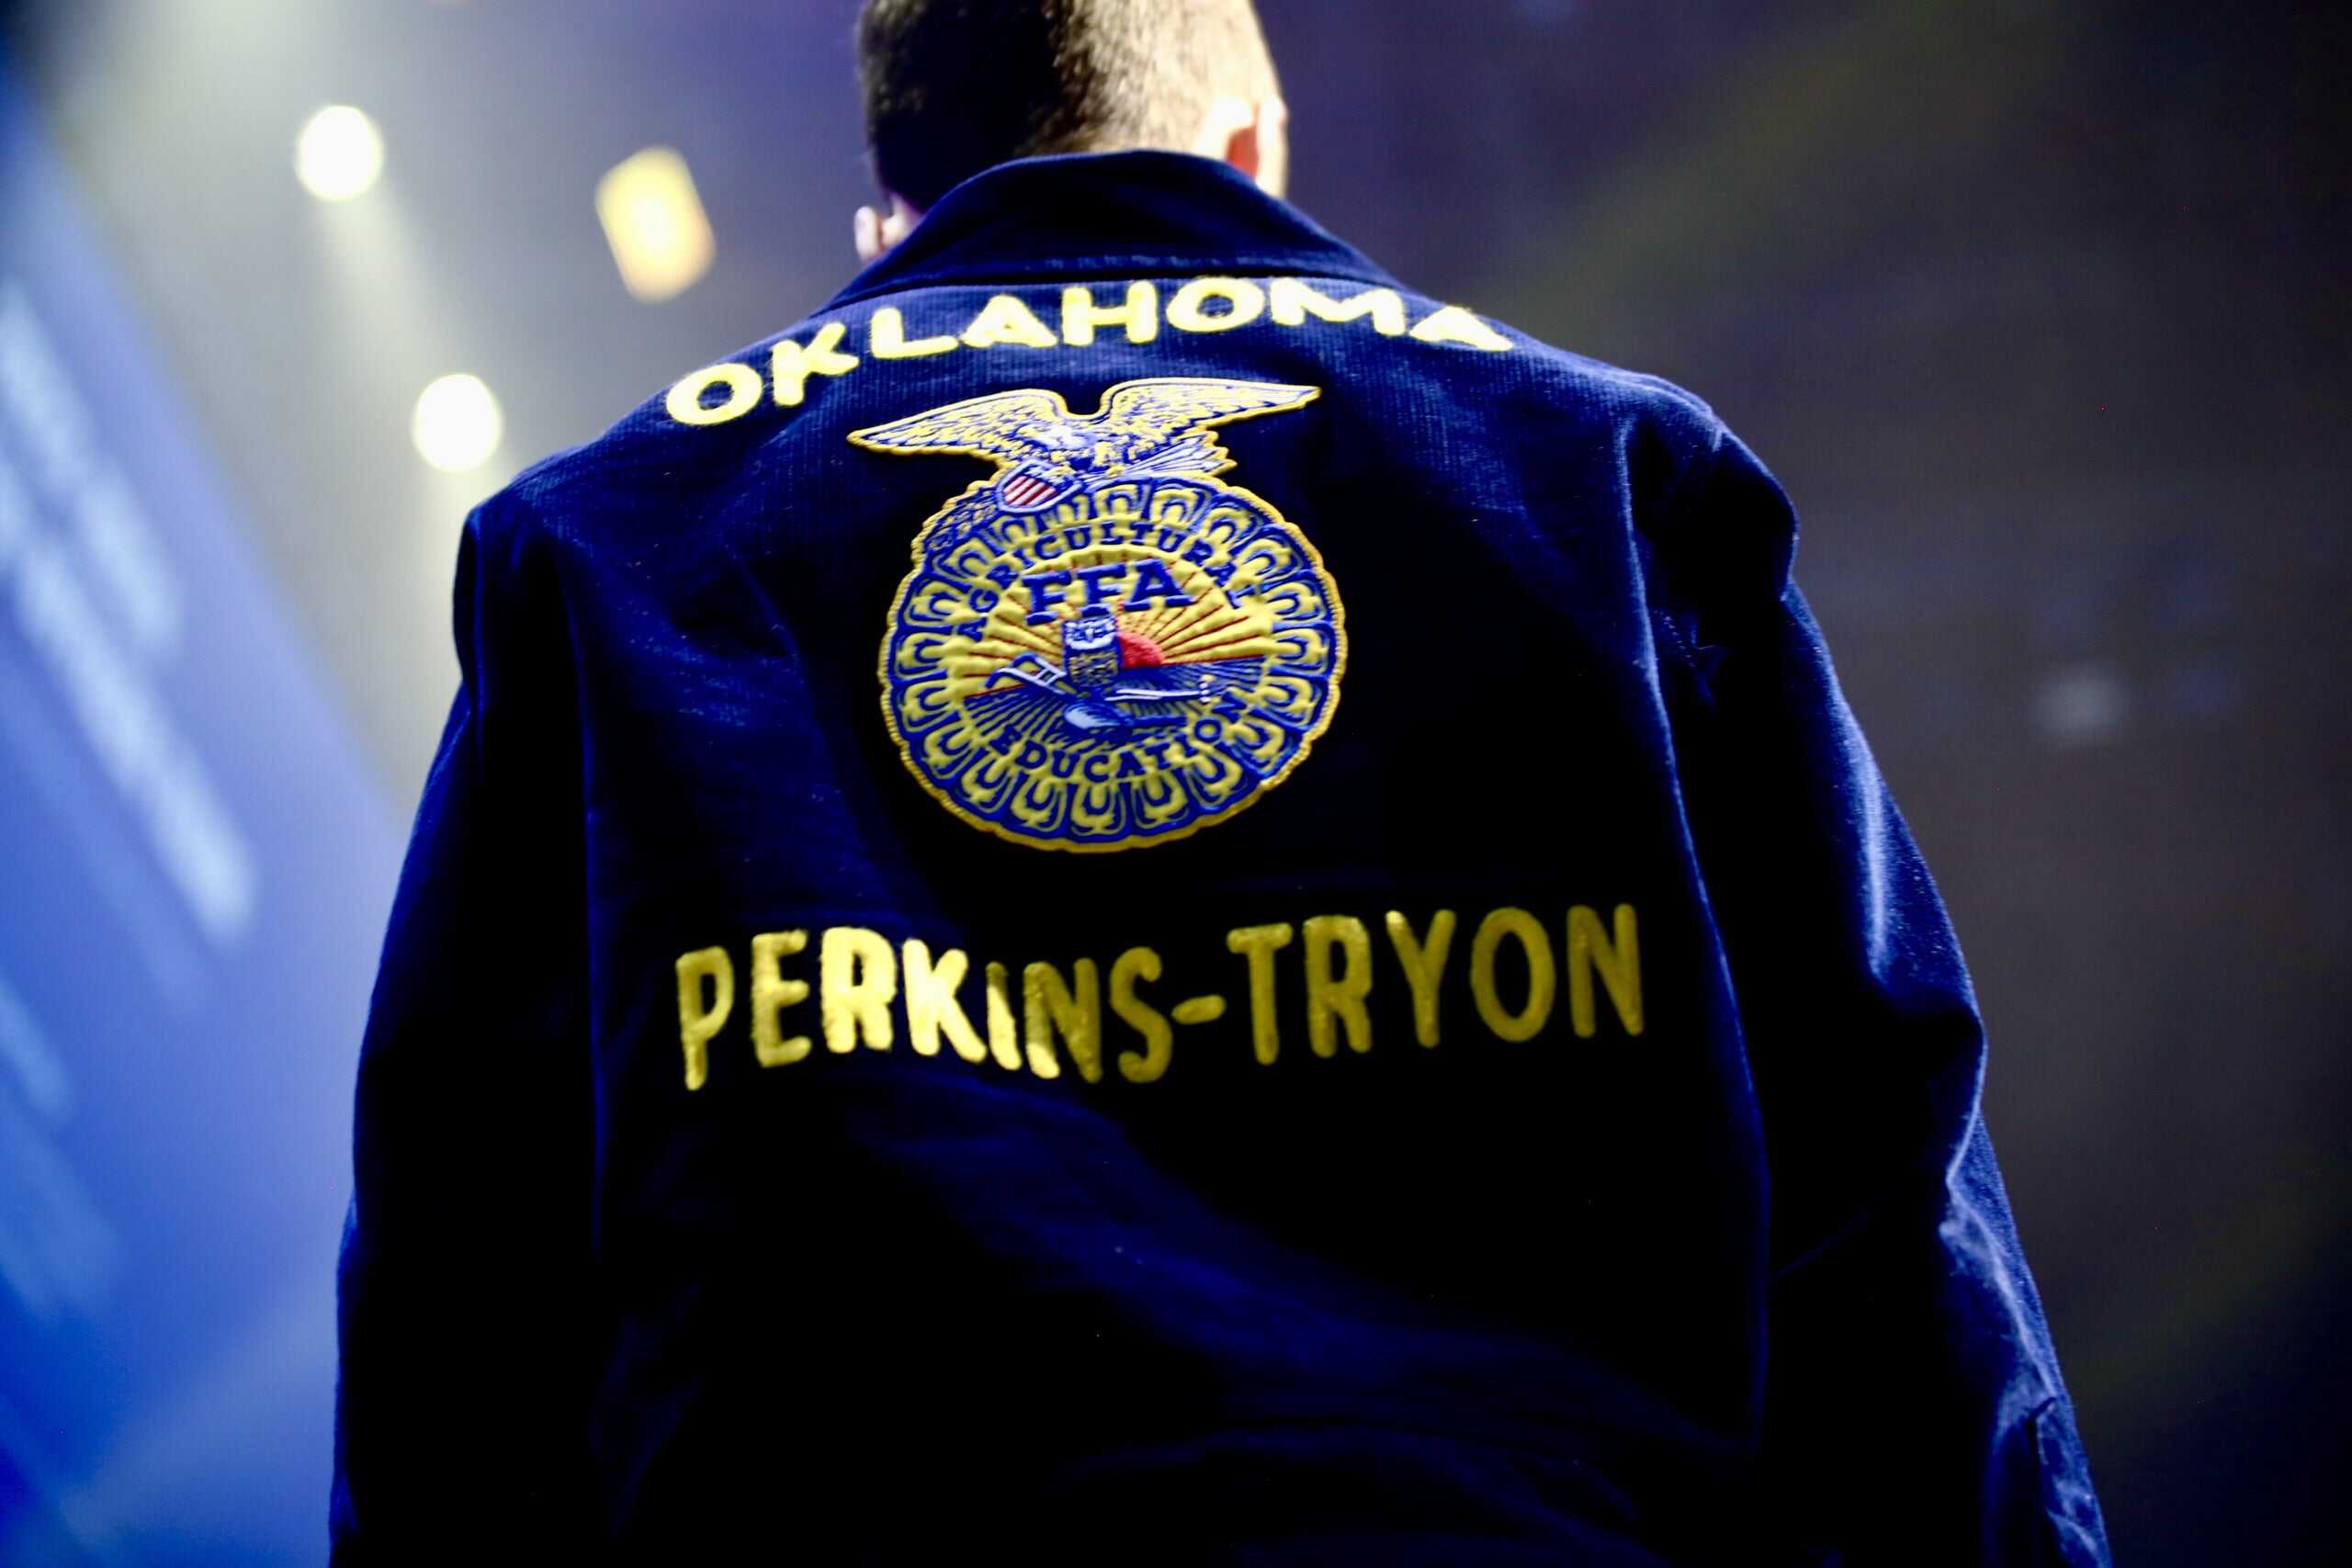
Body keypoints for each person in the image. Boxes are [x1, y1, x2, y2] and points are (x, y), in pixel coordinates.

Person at [331, 2, 2112, 1562]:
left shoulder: (589, 543)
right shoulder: (1607, 467)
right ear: (1253, 150)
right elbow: (1893, 1217)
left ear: (888, 209)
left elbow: (453, 1330)